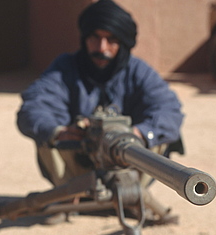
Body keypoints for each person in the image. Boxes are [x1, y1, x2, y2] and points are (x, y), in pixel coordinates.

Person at [17, 0, 184, 223]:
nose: (101, 47)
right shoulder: (65, 67)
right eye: (95, 37)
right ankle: (66, 198)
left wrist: (140, 134)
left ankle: (133, 197)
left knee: (161, 133)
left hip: (127, 159)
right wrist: (58, 132)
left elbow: (168, 109)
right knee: (45, 134)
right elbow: (34, 106)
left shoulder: (138, 71)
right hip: (78, 162)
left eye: (111, 40)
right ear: (84, 38)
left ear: (123, 43)